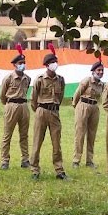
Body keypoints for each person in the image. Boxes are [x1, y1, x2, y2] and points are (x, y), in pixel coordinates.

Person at [30, 52, 69, 180]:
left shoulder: (61, 79)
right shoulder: (40, 79)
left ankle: (59, 170)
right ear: (47, 65)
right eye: (52, 62)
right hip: (41, 110)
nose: (55, 64)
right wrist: (39, 110)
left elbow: (61, 96)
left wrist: (55, 107)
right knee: (37, 141)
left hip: (54, 112)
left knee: (56, 143)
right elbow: (33, 98)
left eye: (55, 62)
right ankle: (34, 170)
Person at [0, 52, 31, 170]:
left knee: (24, 135)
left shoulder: (27, 78)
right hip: (11, 105)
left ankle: (25, 159)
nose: (22, 65)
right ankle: (5, 160)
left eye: (24, 63)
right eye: (20, 63)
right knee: (7, 134)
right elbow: (2, 95)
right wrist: (8, 105)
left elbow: (26, 90)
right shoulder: (8, 78)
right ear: (14, 65)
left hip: (23, 105)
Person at [71, 61, 105, 168]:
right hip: (83, 105)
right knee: (80, 133)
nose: (100, 72)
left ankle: (89, 161)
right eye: (98, 70)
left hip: (94, 108)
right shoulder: (87, 81)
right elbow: (77, 93)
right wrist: (76, 106)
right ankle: (76, 160)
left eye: (102, 71)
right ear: (93, 71)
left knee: (92, 135)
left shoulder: (102, 85)